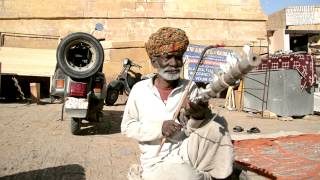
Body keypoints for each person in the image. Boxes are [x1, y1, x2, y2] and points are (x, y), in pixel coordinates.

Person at [121, 27, 234, 180]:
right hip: (157, 160)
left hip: (186, 151)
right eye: (167, 57)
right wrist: (159, 128)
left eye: (178, 57)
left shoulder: (190, 87)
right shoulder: (139, 90)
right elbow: (127, 127)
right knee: (186, 176)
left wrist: (199, 116)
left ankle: (216, 174)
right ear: (154, 62)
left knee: (216, 125)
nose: (174, 63)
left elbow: (192, 130)